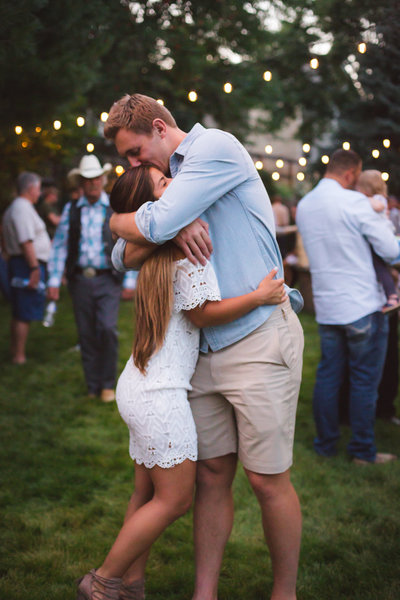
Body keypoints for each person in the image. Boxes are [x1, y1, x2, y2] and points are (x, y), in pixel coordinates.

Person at [105, 94, 304, 600]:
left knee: (266, 480)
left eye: (134, 152)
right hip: (200, 353)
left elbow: (139, 229)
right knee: (213, 476)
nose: (132, 165)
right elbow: (119, 255)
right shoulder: (167, 190)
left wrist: (138, 220)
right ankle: (204, 594)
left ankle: (285, 593)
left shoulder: (214, 148)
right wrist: (159, 221)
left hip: (256, 334)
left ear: (157, 127)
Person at [296, 149, 400, 465]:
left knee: (328, 376)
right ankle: (362, 451)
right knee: (364, 381)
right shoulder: (355, 202)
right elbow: (392, 251)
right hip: (361, 305)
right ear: (352, 174)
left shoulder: (304, 205)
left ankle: (325, 445)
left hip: (327, 305)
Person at [47, 155, 136, 402]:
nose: (92, 183)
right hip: (80, 281)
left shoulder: (114, 208)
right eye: (87, 180)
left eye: (96, 178)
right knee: (86, 333)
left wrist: (130, 281)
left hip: (108, 279)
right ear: (81, 183)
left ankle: (107, 383)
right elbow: (60, 245)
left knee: (106, 328)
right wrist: (54, 280)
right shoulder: (71, 209)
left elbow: (130, 244)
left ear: (103, 180)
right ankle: (92, 385)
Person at [2, 172, 51, 364]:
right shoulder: (22, 208)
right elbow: (26, 240)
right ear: (31, 189)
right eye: (38, 189)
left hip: (20, 262)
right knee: (24, 310)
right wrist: (34, 268)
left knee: (19, 309)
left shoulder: (15, 207)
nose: (39, 194)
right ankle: (19, 356)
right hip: (26, 264)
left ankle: (16, 351)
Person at [356, 170, 400, 313]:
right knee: (382, 269)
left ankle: (392, 296)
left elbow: (379, 207)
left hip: (383, 237)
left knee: (380, 268)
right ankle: (391, 295)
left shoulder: (378, 199)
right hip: (382, 236)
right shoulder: (377, 198)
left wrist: (362, 200)